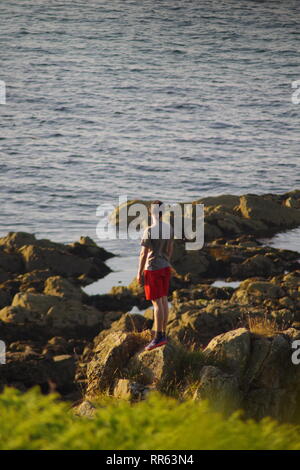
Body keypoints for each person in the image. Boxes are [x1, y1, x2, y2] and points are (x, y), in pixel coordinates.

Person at [137, 200, 174, 351]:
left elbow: (143, 254)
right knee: (164, 300)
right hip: (165, 267)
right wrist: (167, 262)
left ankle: (158, 337)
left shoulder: (149, 230)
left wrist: (139, 273)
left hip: (153, 269)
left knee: (157, 304)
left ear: (151, 212)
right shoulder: (169, 228)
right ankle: (163, 334)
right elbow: (170, 248)